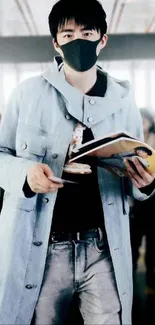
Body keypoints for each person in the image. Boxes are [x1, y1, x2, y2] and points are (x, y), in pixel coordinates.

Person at [0, 1, 155, 324]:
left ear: (103, 39)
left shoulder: (122, 100)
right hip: (41, 249)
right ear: (55, 42)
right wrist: (25, 175)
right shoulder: (26, 94)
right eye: (68, 34)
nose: (77, 41)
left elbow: (136, 177)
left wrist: (146, 183)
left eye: (87, 32)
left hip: (103, 249)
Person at [130, 108, 155, 292]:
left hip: (154, 201)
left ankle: (150, 282)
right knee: (133, 243)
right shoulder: (131, 141)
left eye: (145, 120)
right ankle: (129, 282)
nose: (143, 123)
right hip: (135, 202)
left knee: (153, 245)